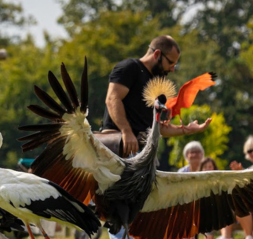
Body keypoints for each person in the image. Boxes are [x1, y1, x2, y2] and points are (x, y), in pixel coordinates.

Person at [100, 35, 212, 239]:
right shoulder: (129, 68)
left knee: (140, 212)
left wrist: (188, 130)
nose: (172, 69)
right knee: (119, 212)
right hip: (117, 148)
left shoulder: (157, 86)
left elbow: (157, 128)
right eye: (171, 62)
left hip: (142, 155)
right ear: (157, 54)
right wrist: (126, 132)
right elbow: (112, 98)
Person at [227, 136, 253, 239]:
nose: (251, 153)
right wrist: (241, 175)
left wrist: (243, 173)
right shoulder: (249, 169)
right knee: (236, 201)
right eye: (249, 150)